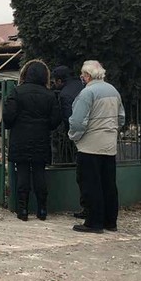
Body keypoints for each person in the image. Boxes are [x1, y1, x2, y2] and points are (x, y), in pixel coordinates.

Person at [68, 60, 125, 234]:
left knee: (91, 184)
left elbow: (78, 121)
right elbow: (121, 117)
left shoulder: (87, 93)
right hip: (109, 145)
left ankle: (93, 222)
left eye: (82, 75)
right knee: (108, 183)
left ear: (87, 75)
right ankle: (110, 221)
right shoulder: (113, 90)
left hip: (90, 145)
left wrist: (74, 137)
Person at [3, 60, 62, 221]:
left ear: (25, 74)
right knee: (39, 172)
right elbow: (56, 119)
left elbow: (8, 116)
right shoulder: (50, 95)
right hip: (41, 138)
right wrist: (45, 126)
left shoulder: (17, 92)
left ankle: (22, 210)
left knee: (22, 172)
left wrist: (12, 126)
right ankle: (42, 209)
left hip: (20, 137)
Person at [52, 64, 87, 218]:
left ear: (59, 81)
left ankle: (87, 208)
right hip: (93, 134)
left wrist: (70, 136)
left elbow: (68, 119)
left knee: (83, 175)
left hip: (78, 138)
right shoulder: (83, 85)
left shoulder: (65, 94)